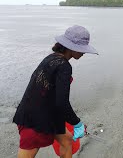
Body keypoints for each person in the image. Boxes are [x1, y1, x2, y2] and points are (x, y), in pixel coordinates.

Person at [12, 25, 98, 158]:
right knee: (26, 155)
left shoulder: (51, 58)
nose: (83, 52)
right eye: (81, 49)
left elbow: (46, 92)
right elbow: (62, 102)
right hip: (35, 120)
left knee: (66, 141)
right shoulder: (64, 66)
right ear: (70, 47)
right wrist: (77, 123)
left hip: (41, 113)